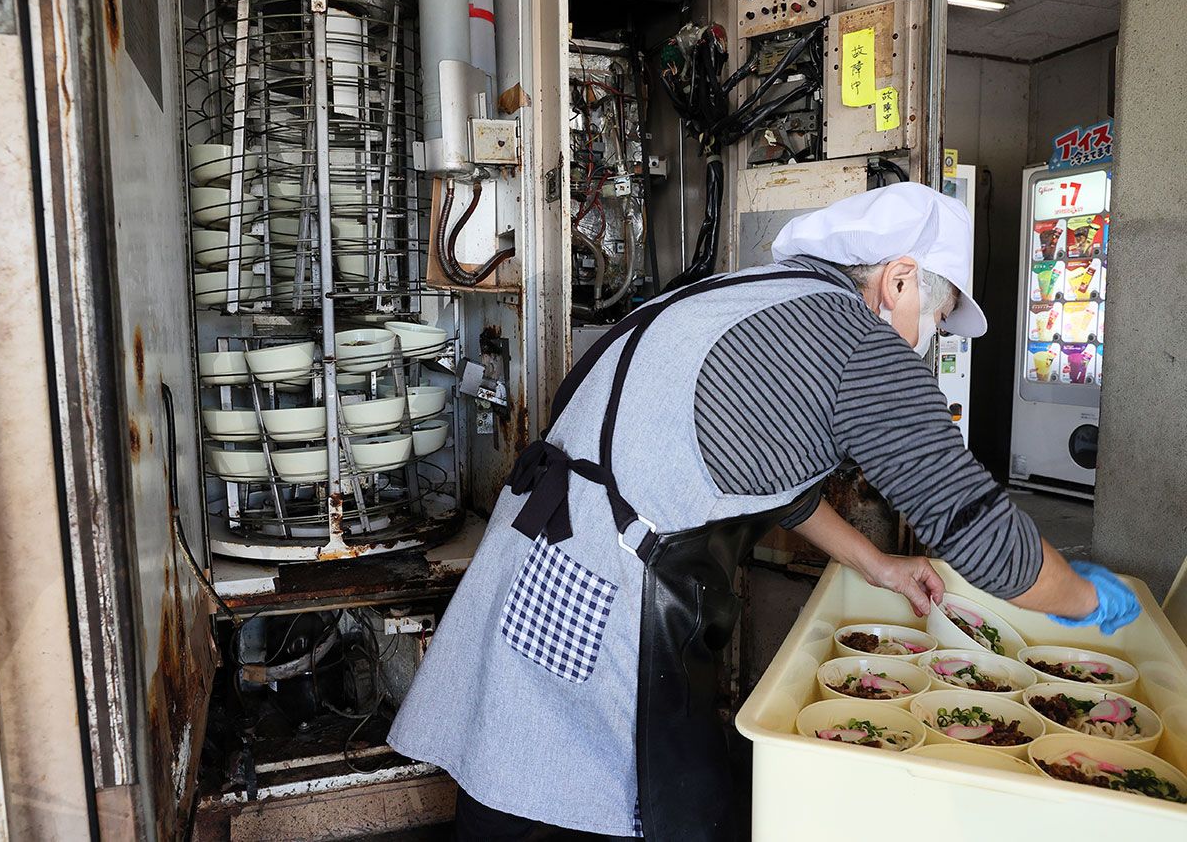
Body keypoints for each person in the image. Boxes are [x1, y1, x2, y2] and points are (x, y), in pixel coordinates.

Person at [387, 183, 1140, 841]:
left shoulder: (763, 296)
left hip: (551, 552)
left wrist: (876, 562)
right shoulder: (853, 339)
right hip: (609, 583)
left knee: (515, 765)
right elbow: (982, 536)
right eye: (937, 324)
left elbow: (774, 481)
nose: (927, 346)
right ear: (900, 280)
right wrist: (1083, 598)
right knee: (653, 803)